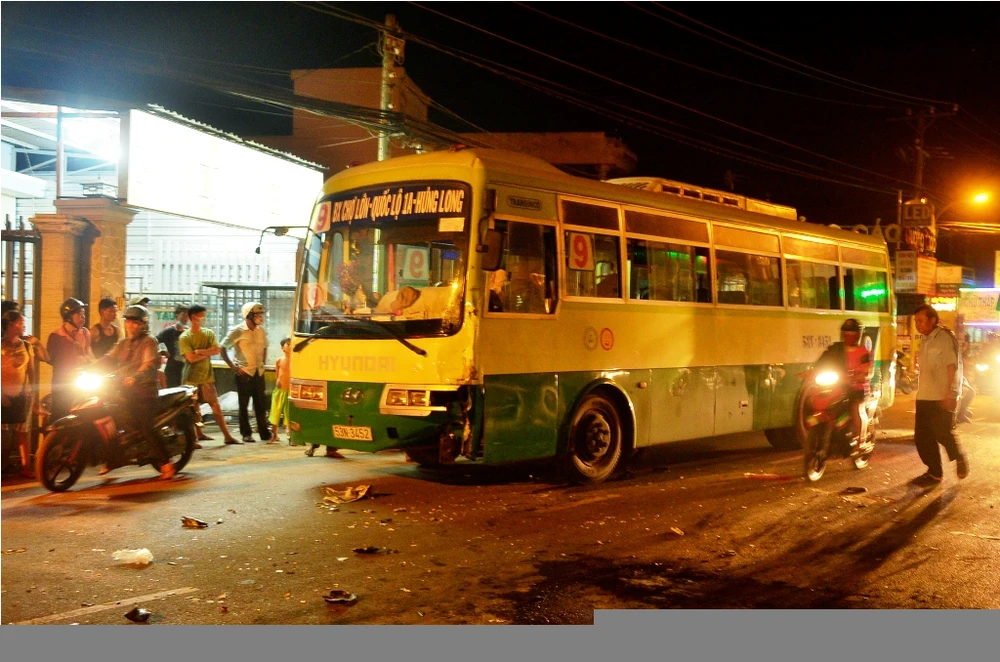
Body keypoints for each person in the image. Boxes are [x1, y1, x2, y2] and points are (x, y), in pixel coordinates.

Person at [97, 305, 175, 479]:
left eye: (135, 323)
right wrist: (88, 367)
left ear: (143, 325)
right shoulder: (124, 343)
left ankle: (166, 462)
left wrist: (135, 377)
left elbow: (148, 365)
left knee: (145, 427)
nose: (130, 326)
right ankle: (113, 459)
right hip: (124, 391)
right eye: (128, 322)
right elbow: (109, 357)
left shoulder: (149, 341)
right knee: (108, 420)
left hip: (145, 393)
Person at [911, 304, 968, 486]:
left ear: (932, 320)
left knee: (942, 434)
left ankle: (958, 457)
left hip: (942, 396)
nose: (917, 325)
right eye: (915, 322)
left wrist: (951, 393)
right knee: (922, 437)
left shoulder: (944, 338)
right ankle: (935, 472)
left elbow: (952, 367)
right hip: (924, 396)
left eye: (920, 321)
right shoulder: (925, 340)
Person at [179, 305, 240, 445]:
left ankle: (227, 436)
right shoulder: (185, 337)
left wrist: (199, 352)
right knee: (193, 408)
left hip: (206, 376)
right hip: (191, 377)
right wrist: (206, 352)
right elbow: (190, 358)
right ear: (194, 317)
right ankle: (197, 435)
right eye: (202, 315)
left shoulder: (208, 333)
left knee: (215, 405)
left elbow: (217, 350)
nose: (204, 318)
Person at [816, 318, 874, 446]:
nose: (849, 336)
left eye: (852, 334)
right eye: (846, 333)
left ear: (858, 335)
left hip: (857, 388)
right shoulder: (835, 349)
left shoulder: (863, 352)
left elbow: (867, 371)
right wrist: (812, 372)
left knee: (855, 408)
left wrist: (862, 375)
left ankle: (861, 440)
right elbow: (822, 362)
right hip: (839, 386)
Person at [220, 302, 271, 443]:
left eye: (261, 314)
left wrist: (263, 364)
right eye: (257, 315)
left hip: (258, 372)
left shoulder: (261, 331)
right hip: (244, 373)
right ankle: (246, 433)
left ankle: (264, 433)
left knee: (260, 404)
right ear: (248, 315)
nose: (260, 317)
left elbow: (265, 347)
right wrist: (233, 367)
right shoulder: (238, 330)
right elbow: (222, 348)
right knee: (243, 405)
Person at [2, 311, 37, 478]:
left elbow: (31, 372)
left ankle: (25, 466)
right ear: (10, 325)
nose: (24, 325)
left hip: (22, 395)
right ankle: (3, 464)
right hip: (3, 396)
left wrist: (33, 393)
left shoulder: (27, 346)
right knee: (3, 434)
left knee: (23, 432)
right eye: (21, 322)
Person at [46, 298, 93, 421]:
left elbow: (89, 355)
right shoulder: (56, 336)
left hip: (80, 381)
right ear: (68, 316)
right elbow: (50, 360)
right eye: (79, 314)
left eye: (84, 314)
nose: (83, 317)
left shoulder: (85, 333)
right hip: (62, 383)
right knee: (59, 415)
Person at [157, 305, 190, 388]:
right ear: (177, 316)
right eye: (184, 315)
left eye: (188, 315)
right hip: (172, 369)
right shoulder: (169, 331)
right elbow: (154, 342)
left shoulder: (189, 332)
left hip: (186, 368)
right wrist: (162, 351)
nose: (186, 318)